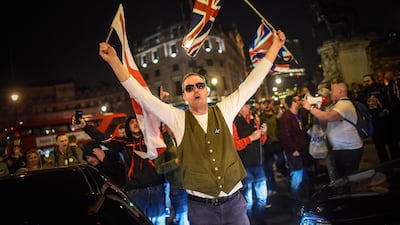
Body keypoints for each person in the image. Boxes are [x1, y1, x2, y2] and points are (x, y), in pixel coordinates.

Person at [98, 29, 286, 225]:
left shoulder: (224, 109)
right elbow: (141, 95)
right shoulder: (177, 118)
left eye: (199, 85)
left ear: (206, 91)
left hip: (235, 205)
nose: (195, 89)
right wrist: (114, 61)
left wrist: (275, 47)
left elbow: (252, 82)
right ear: (185, 96)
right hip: (201, 209)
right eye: (189, 88)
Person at [76, 115, 167, 225]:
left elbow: (158, 123)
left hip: (156, 188)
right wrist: (85, 126)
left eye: (137, 121)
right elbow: (103, 138)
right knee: (138, 222)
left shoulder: (152, 139)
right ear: (128, 127)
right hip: (136, 191)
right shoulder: (123, 143)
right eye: (132, 122)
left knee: (160, 221)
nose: (135, 123)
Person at [303, 80, 364, 178]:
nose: (330, 92)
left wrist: (310, 109)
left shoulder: (344, 104)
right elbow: (324, 123)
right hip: (341, 149)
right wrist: (318, 109)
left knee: (349, 178)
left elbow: (329, 117)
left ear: (340, 91)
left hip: (349, 149)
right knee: (342, 177)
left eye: (332, 90)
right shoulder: (337, 104)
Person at [233, 100, 267, 225]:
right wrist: (250, 138)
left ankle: (260, 220)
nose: (248, 107)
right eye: (245, 104)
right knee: (248, 199)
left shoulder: (255, 120)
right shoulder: (234, 122)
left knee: (262, 197)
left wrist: (263, 133)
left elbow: (262, 142)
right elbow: (234, 145)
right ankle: (249, 221)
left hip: (258, 164)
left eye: (249, 105)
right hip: (244, 166)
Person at [279, 94, 311, 216]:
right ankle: (296, 206)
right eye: (297, 101)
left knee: (304, 179)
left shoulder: (297, 115)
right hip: (294, 152)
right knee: (297, 180)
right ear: (292, 102)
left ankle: (305, 204)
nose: (300, 102)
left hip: (301, 150)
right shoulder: (287, 117)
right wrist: (293, 149)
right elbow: (285, 135)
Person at [154, 124, 189, 225]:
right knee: (183, 219)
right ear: (165, 127)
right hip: (178, 188)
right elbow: (159, 168)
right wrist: (176, 162)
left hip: (194, 185)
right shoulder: (162, 142)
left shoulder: (186, 136)